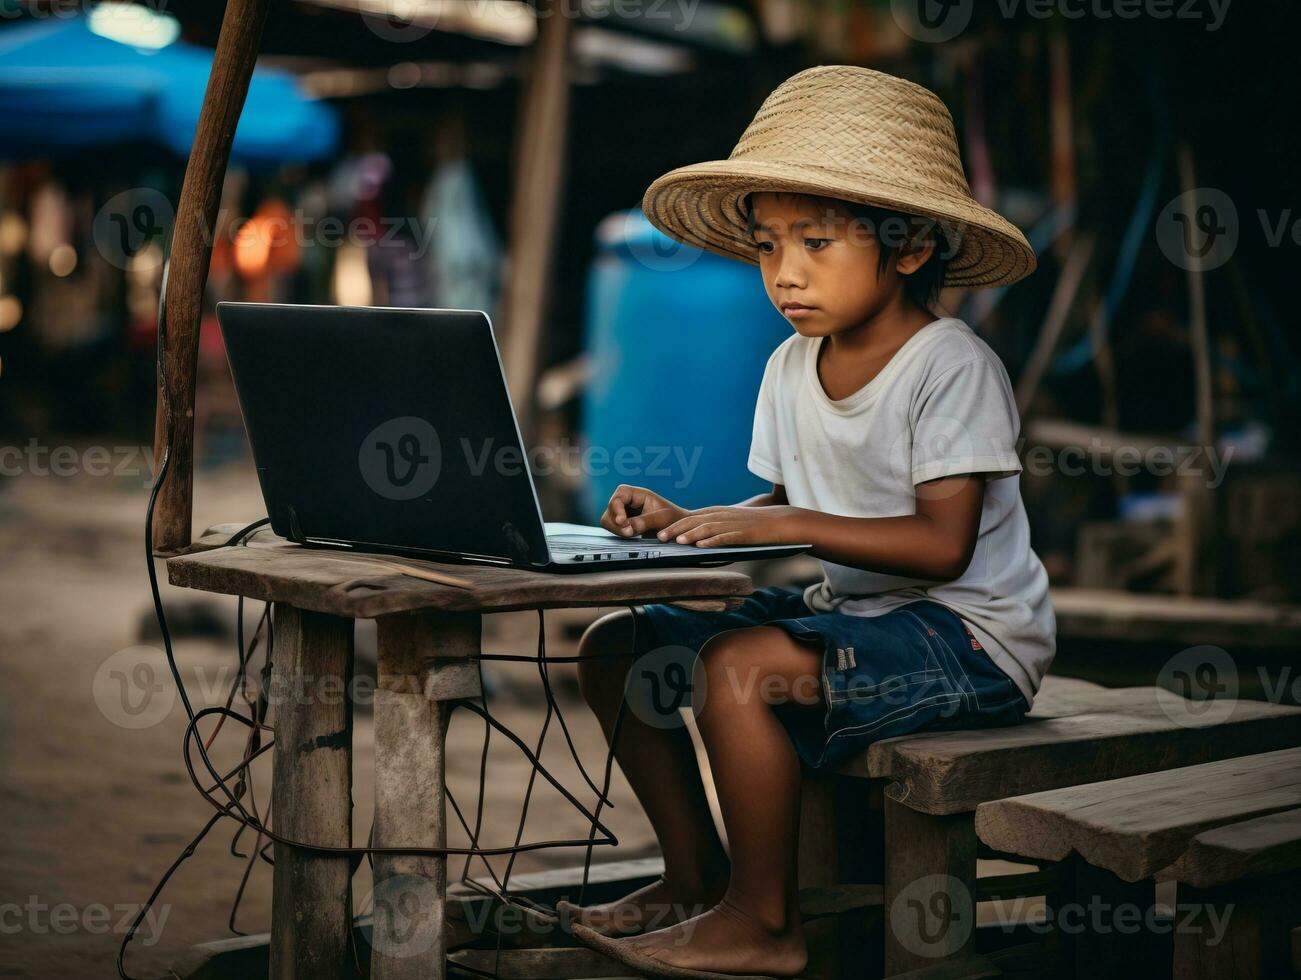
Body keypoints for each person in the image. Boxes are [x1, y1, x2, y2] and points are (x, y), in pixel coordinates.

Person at [559, 65, 1056, 979]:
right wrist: (690, 519)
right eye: (766, 245)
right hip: (858, 620)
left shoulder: (949, 365)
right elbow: (790, 506)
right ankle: (689, 875)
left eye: (816, 242)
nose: (784, 273)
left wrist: (785, 521)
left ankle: (763, 922)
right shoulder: (790, 364)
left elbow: (942, 548)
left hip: (973, 640)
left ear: (906, 249)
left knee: (736, 670)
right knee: (616, 645)